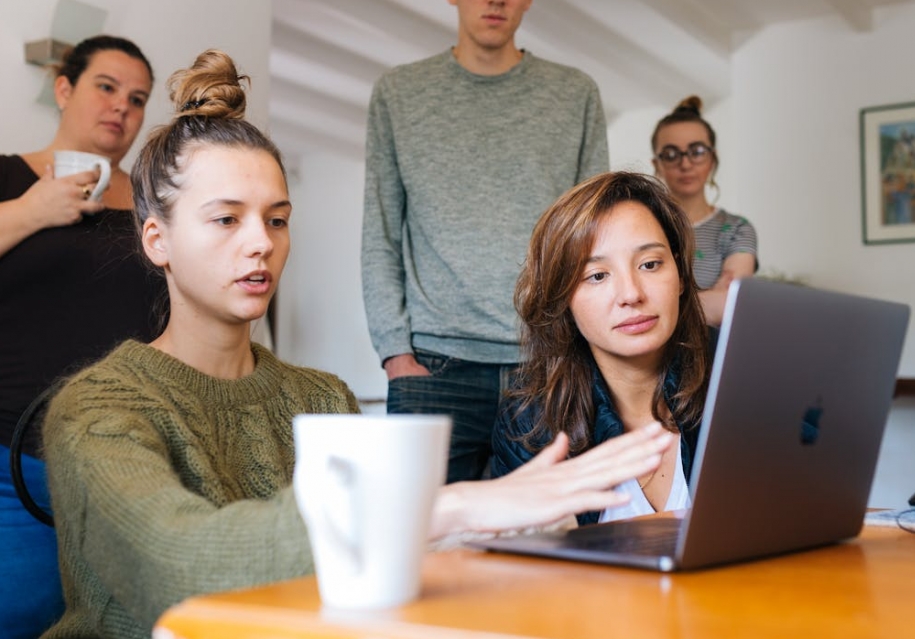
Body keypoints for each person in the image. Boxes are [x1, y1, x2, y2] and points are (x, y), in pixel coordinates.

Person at [39, 50, 668, 639]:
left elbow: (376, 582)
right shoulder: (95, 411)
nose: (261, 242)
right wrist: (446, 506)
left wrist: (521, 525)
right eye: (227, 218)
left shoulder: (322, 397)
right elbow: (177, 565)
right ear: (157, 240)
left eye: (277, 219)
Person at [361, 0, 610, 483]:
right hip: (431, 369)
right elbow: (381, 231)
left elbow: (593, 237)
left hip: (547, 363)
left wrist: (578, 348)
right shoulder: (399, 92)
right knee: (424, 546)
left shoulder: (575, 93)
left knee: (541, 548)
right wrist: (395, 353)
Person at [0, 35, 162, 639]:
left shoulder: (153, 206)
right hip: (13, 464)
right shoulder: (7, 177)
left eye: (138, 98)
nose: (122, 106)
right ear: (63, 89)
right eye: (106, 86)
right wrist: (32, 210)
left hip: (125, 464)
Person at [491, 172, 711, 525]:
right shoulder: (530, 424)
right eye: (597, 275)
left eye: (650, 264)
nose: (631, 294)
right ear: (563, 299)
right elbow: (525, 573)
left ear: (681, 275)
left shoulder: (739, 380)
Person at [651, 95, 757, 326]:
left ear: (712, 158)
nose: (685, 164)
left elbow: (728, 305)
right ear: (656, 165)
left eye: (696, 151)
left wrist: (653, 313)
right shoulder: (644, 226)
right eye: (670, 154)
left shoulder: (737, 229)